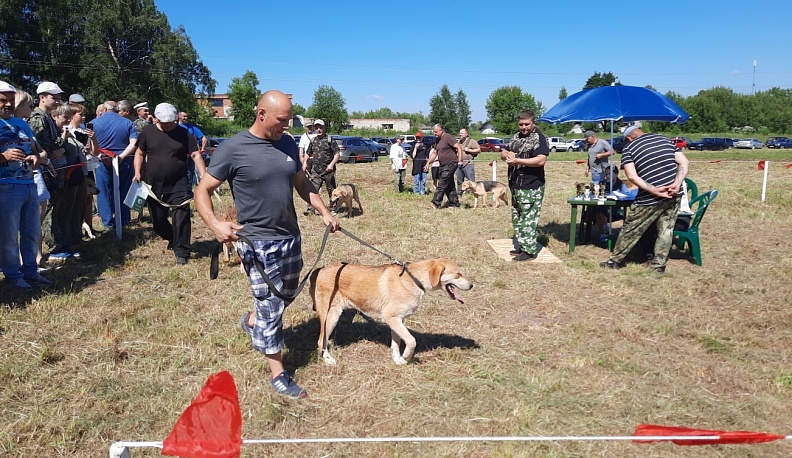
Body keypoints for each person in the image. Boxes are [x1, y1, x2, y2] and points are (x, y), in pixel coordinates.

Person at [194, 90, 338, 399]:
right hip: (257, 243)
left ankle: (252, 321)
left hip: (290, 238)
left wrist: (324, 210)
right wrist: (216, 225)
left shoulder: (286, 143)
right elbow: (202, 190)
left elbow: (301, 182)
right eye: (282, 120)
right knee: (271, 307)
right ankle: (278, 374)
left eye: (289, 120)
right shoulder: (233, 149)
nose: (287, 127)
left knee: (286, 296)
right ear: (261, 114)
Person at [600, 126, 689, 273]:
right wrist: (677, 183)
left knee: (631, 228)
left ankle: (615, 260)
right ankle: (658, 266)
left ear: (628, 138)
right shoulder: (665, 140)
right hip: (673, 194)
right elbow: (684, 162)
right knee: (666, 230)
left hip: (648, 198)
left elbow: (632, 176)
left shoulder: (629, 149)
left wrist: (654, 190)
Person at [134, 103, 204, 265]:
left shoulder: (183, 133)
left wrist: (204, 175)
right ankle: (173, 238)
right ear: (157, 119)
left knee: (181, 217)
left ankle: (182, 252)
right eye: (165, 123)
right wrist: (137, 172)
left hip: (179, 183)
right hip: (154, 184)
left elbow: (195, 154)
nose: (169, 125)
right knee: (158, 223)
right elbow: (139, 153)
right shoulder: (147, 132)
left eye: (172, 122)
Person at [0, 80, 50, 289]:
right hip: (6, 186)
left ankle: (30, 270)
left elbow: (39, 151)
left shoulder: (21, 124)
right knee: (9, 235)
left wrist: (36, 157)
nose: (8, 105)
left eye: (11, 100)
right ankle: (12, 274)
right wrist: (3, 156)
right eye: (3, 100)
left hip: (29, 184)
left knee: (32, 232)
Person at [501, 110, 550, 261]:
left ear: (533, 123)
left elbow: (541, 160)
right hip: (516, 184)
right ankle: (522, 247)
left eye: (526, 124)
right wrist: (507, 155)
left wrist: (518, 161)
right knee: (518, 217)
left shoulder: (539, 138)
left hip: (531, 186)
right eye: (521, 124)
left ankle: (529, 252)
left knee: (528, 219)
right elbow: (504, 151)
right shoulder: (516, 137)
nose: (523, 127)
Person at [14, 90, 51, 267]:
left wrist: (42, 157)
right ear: (18, 106)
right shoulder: (8, 127)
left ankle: (36, 258)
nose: (32, 108)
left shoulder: (25, 126)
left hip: (34, 177)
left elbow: (40, 150)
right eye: (29, 105)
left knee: (35, 221)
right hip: (16, 180)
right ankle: (21, 260)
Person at [92, 100, 138, 231]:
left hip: (102, 160)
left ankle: (108, 223)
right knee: (124, 190)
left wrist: (101, 156)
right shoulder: (128, 122)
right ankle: (123, 220)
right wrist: (122, 157)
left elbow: (89, 145)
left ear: (104, 110)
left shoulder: (94, 123)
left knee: (103, 191)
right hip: (124, 160)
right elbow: (134, 143)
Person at [303, 119, 339, 215]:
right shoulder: (313, 140)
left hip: (328, 171)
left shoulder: (330, 140)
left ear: (324, 128)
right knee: (312, 190)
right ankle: (310, 209)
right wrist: (304, 163)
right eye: (317, 128)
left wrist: (331, 165)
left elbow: (337, 154)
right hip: (316, 171)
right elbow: (307, 153)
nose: (318, 129)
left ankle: (333, 208)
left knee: (332, 191)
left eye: (320, 127)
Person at [423, 123, 463, 209]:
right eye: (433, 132)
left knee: (442, 183)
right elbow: (435, 153)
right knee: (449, 184)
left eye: (436, 132)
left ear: (441, 130)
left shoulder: (448, 137)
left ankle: (436, 203)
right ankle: (454, 203)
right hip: (442, 165)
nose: (434, 133)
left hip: (451, 163)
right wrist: (428, 163)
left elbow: (459, 148)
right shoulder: (438, 140)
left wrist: (460, 160)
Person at [177, 111, 207, 186]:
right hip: (180, 152)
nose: (185, 118)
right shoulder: (175, 127)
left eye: (186, 116)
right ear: (179, 117)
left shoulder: (192, 128)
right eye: (184, 116)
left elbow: (204, 139)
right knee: (184, 170)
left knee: (191, 170)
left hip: (192, 153)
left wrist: (202, 149)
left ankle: (191, 186)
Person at [455, 127, 481, 198]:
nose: (460, 135)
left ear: (466, 134)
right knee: (459, 180)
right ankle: (459, 194)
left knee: (471, 181)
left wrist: (469, 150)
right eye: (460, 133)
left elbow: (478, 150)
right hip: (459, 164)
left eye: (462, 133)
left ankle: (475, 194)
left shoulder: (472, 141)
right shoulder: (459, 142)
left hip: (469, 163)